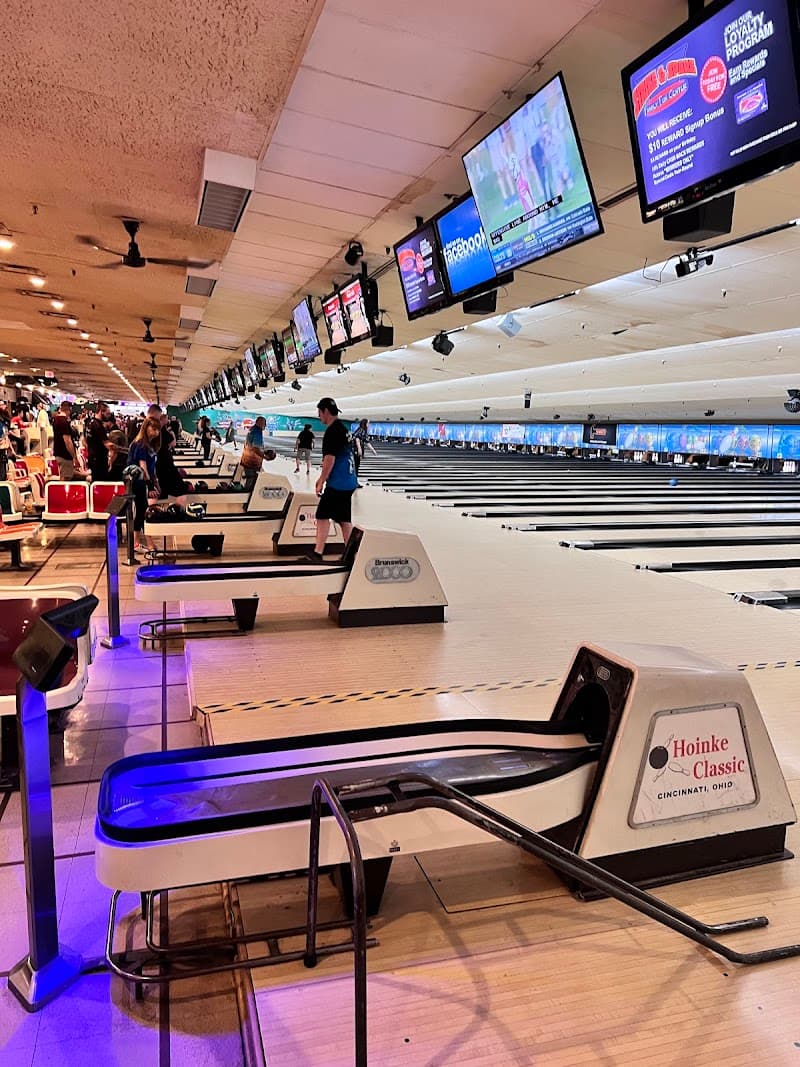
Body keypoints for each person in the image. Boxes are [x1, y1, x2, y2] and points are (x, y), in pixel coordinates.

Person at [305, 397, 357, 561]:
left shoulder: (332, 431)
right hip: (349, 481)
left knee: (322, 515)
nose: (319, 416)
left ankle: (318, 553)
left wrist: (321, 479)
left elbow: (330, 459)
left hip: (338, 483)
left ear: (325, 411)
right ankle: (350, 554)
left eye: (319, 413)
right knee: (343, 519)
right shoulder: (343, 428)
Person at [127, 416, 161, 553]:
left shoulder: (149, 445)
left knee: (142, 510)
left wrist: (155, 482)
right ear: (146, 427)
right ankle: (138, 543)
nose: (156, 432)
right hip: (137, 481)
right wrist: (151, 486)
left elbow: (151, 469)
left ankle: (143, 542)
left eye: (158, 430)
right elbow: (143, 468)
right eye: (153, 429)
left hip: (142, 481)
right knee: (142, 511)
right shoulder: (140, 444)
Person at [155, 413, 188, 505]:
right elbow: (173, 443)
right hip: (165, 462)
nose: (168, 420)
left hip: (159, 462)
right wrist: (173, 433)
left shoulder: (159, 430)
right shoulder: (163, 430)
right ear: (163, 420)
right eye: (166, 419)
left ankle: (163, 504)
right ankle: (178, 509)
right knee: (180, 488)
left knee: (164, 484)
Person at [241, 416, 276, 492]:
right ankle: (247, 498)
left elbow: (254, 446)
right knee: (252, 480)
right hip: (252, 461)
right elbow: (256, 448)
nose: (265, 425)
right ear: (259, 422)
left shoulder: (252, 429)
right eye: (264, 423)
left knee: (250, 479)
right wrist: (265, 457)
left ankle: (246, 496)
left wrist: (264, 451)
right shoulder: (257, 431)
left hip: (247, 459)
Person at [52, 400, 83, 480]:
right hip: (64, 455)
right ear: (69, 409)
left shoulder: (56, 419)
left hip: (58, 452)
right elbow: (68, 441)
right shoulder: (64, 421)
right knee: (66, 479)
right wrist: (74, 457)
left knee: (65, 476)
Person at [86, 400, 111, 483]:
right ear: (101, 412)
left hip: (92, 458)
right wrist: (123, 449)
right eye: (107, 414)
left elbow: (84, 440)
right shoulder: (98, 426)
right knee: (100, 484)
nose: (108, 417)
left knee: (95, 481)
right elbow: (107, 444)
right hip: (99, 461)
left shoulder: (90, 423)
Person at [351, 418, 377, 484]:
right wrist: (359, 448)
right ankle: (354, 482)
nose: (369, 425)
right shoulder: (361, 430)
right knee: (355, 466)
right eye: (368, 423)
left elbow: (367, 442)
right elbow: (357, 439)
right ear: (365, 424)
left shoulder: (363, 431)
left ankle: (354, 482)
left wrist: (373, 450)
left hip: (355, 450)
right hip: (355, 451)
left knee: (356, 466)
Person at [0, 404, 13, 480]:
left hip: (3, 451)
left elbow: (6, 436)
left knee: (3, 475)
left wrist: (11, 450)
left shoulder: (3, 422)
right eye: (1, 405)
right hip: (1, 450)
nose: (4, 406)